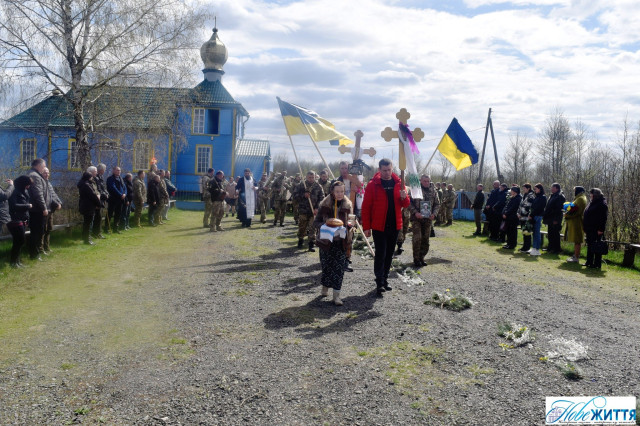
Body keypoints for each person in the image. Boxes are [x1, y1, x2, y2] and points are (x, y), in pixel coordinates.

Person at [361, 158, 410, 297]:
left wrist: (404, 196)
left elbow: (405, 204)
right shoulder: (373, 185)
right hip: (379, 226)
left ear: (392, 168)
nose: (387, 173)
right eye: (384, 170)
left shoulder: (399, 183)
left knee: (389, 253)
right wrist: (366, 227)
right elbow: (366, 207)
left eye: (389, 170)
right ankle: (379, 282)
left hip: (395, 225)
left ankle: (385, 279)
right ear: (379, 170)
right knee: (380, 254)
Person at [313, 181, 353, 306]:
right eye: (337, 191)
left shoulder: (348, 205)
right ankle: (325, 286)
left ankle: (336, 296)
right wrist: (325, 226)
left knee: (339, 269)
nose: (340, 194)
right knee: (326, 266)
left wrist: (350, 226)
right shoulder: (324, 205)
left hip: (341, 242)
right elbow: (316, 222)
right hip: (326, 242)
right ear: (332, 192)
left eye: (342, 191)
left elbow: (351, 221)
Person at [407, 174, 440, 267]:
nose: (426, 183)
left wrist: (434, 214)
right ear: (420, 181)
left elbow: (437, 204)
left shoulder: (433, 190)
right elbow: (408, 202)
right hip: (416, 219)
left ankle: (422, 257)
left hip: (428, 219)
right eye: (424, 181)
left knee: (426, 239)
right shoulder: (415, 189)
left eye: (428, 181)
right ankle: (416, 259)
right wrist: (415, 212)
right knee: (417, 238)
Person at [294, 171, 324, 251]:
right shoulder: (301, 185)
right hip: (303, 210)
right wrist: (303, 195)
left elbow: (322, 198)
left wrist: (317, 208)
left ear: (315, 177)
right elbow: (295, 196)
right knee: (302, 227)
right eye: (309, 177)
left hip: (313, 211)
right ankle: (300, 239)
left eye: (312, 177)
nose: (311, 179)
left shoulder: (318, 186)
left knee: (312, 227)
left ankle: (311, 244)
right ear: (306, 177)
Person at [27, 158, 50, 261]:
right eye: (43, 166)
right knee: (37, 232)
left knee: (39, 231)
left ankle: (35, 253)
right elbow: (38, 194)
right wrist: (44, 208)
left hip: (37, 209)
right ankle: (34, 254)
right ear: (38, 165)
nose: (44, 168)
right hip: (37, 210)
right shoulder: (35, 176)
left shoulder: (35, 174)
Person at [7, 175, 32, 267]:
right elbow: (13, 205)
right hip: (14, 218)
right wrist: (27, 206)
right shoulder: (14, 191)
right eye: (27, 184)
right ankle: (13, 262)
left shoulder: (25, 191)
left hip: (23, 218)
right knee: (20, 240)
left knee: (19, 241)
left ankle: (16, 261)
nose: (29, 186)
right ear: (23, 183)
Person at [583, 188, 608, 269]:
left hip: (596, 229)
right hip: (590, 228)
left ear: (595, 195)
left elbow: (603, 218)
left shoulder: (602, 204)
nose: (590, 196)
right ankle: (589, 261)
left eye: (591, 194)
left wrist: (601, 229)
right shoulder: (592, 202)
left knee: (597, 246)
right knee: (590, 245)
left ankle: (597, 263)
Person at [564, 186, 588, 263]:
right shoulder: (579, 198)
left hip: (577, 222)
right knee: (576, 240)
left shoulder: (580, 199)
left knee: (577, 240)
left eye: (575, 190)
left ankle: (576, 257)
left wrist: (567, 215)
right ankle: (575, 255)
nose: (574, 192)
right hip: (575, 221)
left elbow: (578, 211)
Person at [77, 172, 101, 245]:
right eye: (91, 177)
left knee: (86, 223)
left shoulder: (82, 183)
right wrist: (99, 204)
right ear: (89, 177)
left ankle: (85, 238)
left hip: (84, 205)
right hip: (89, 206)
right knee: (88, 224)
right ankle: (87, 240)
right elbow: (92, 195)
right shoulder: (86, 185)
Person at [543, 183, 565, 254]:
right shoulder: (552, 195)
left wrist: (556, 219)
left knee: (555, 234)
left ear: (557, 188)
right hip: (550, 218)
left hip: (555, 218)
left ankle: (556, 249)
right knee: (550, 234)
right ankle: (550, 247)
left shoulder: (560, 196)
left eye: (552, 188)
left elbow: (559, 209)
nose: (551, 189)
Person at [106, 166, 127, 233]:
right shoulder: (110, 179)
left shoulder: (121, 178)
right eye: (117, 170)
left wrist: (124, 194)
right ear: (113, 171)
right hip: (113, 199)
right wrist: (120, 194)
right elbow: (113, 187)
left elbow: (124, 187)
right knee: (110, 213)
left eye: (119, 170)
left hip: (120, 199)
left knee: (118, 214)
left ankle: (115, 228)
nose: (119, 171)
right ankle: (107, 228)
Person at [528, 184, 547, 256]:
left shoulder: (543, 197)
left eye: (535, 189)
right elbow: (533, 206)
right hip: (534, 215)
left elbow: (539, 208)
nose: (534, 190)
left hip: (538, 216)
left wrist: (531, 214)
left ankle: (537, 249)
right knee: (534, 232)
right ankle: (534, 247)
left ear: (540, 189)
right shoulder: (536, 197)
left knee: (537, 232)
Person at [517, 184, 535, 252]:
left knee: (527, 233)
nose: (523, 189)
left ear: (528, 188)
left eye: (524, 188)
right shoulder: (524, 195)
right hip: (521, 217)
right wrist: (518, 213)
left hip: (526, 217)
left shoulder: (531, 196)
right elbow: (521, 205)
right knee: (524, 232)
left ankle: (527, 247)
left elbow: (528, 207)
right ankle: (524, 246)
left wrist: (522, 214)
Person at [95, 164, 110, 235]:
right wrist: (104, 194)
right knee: (98, 216)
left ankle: (98, 232)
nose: (104, 171)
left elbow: (103, 187)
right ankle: (97, 232)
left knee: (99, 216)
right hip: (98, 199)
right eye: (104, 170)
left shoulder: (101, 177)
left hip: (102, 199)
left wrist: (107, 193)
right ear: (101, 170)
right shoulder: (96, 178)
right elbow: (98, 189)